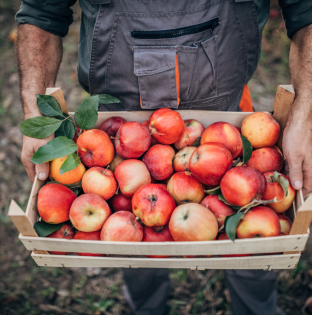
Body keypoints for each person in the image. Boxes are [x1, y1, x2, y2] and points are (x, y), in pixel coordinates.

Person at [15, 1, 312, 314]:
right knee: (134, 242)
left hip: (226, 122)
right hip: (117, 130)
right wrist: (34, 113)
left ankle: (256, 309)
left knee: (253, 250)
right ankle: (147, 307)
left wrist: (305, 116)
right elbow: (42, 12)